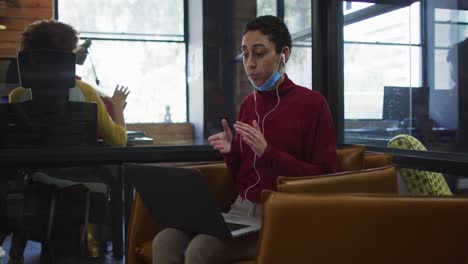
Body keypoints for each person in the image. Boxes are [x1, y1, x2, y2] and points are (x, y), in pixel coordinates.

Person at [152, 15, 337, 264]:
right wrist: (232, 152)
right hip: (240, 210)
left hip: (279, 216)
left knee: (201, 249)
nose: (249, 64)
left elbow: (325, 178)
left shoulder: (313, 104)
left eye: (259, 54)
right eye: (245, 54)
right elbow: (243, 178)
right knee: (165, 240)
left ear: (284, 54)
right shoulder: (250, 104)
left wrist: (268, 153)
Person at [1, 19, 130, 263]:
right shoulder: (86, 93)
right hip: (80, 183)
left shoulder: (18, 95)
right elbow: (118, 142)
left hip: (34, 179)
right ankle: (108, 249)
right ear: (68, 59)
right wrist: (118, 108)